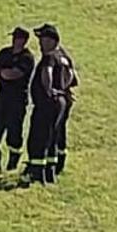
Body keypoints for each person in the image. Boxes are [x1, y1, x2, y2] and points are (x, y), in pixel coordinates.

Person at [23, 24, 78, 186]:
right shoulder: (64, 56)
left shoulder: (49, 57)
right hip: (61, 102)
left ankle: (37, 173)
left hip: (47, 103)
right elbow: (73, 77)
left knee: (38, 137)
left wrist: (49, 90)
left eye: (43, 40)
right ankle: (50, 171)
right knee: (53, 137)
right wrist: (63, 90)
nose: (40, 43)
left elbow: (46, 73)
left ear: (52, 40)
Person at [0, 27, 35, 172]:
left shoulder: (27, 58)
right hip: (2, 95)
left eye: (17, 38)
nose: (14, 40)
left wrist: (0, 72)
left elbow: (13, 74)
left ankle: (12, 163)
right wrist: (3, 73)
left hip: (17, 98)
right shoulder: (5, 52)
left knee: (14, 130)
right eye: (14, 37)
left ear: (24, 40)